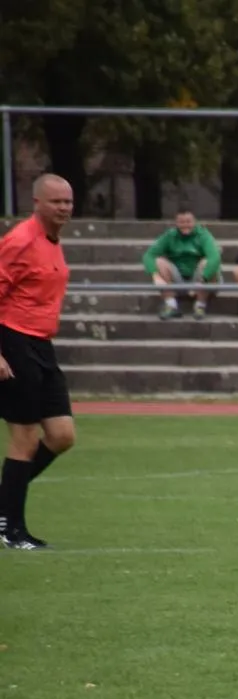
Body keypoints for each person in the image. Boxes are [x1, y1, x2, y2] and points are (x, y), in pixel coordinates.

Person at [0, 174, 78, 551]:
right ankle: (10, 528)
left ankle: (4, 502)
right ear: (37, 203)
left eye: (68, 201)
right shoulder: (20, 240)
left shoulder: (52, 240)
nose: (63, 208)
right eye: (56, 201)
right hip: (14, 340)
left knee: (62, 435)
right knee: (25, 438)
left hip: (42, 344)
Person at [143, 210, 222, 320]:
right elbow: (149, 255)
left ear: (194, 222)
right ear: (176, 223)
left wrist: (202, 280)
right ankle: (171, 305)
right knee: (159, 261)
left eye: (188, 222)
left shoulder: (203, 235)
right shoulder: (170, 235)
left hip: (200, 278)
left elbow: (215, 257)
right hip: (178, 278)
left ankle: (200, 305)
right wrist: (155, 276)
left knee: (207, 262)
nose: (185, 225)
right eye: (181, 222)